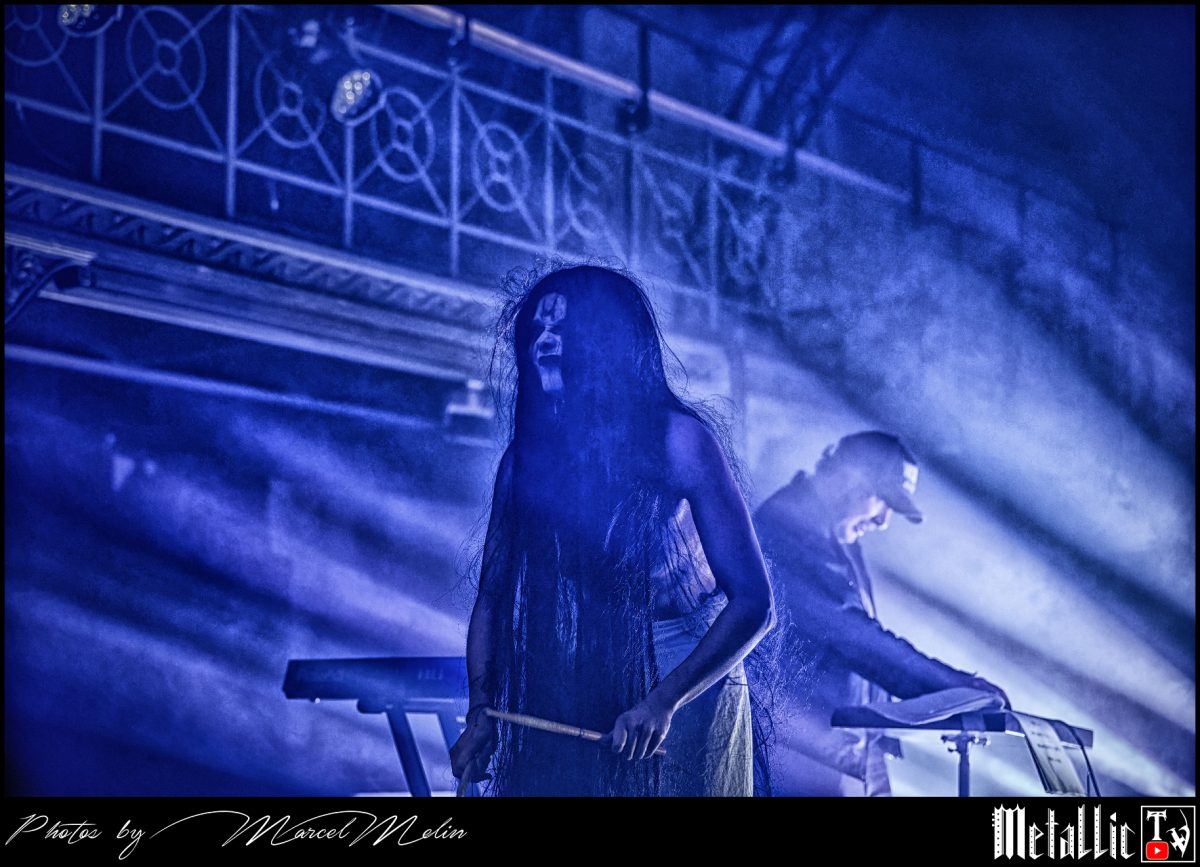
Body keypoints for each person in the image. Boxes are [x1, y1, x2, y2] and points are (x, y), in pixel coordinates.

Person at [449, 263, 776, 796]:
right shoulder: (525, 460)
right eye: (537, 328)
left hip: (686, 676)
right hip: (586, 668)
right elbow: (491, 597)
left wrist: (663, 701)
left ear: (606, 342)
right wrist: (480, 710)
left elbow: (754, 604)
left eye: (562, 328)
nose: (543, 340)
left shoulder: (679, 442)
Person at [753, 431, 1009, 796]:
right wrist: (951, 686)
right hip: (798, 759)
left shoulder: (836, 533)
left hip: (840, 751)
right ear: (849, 479)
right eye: (881, 501)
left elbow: (861, 636)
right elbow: (854, 638)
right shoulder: (789, 526)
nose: (883, 521)